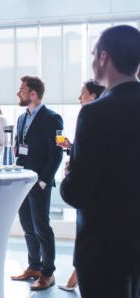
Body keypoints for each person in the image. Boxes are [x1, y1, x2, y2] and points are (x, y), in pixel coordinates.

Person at [60, 25, 140, 298]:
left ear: (104, 57)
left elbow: (77, 192)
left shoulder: (95, 113)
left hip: (103, 246)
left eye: (94, 53)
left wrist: (68, 175)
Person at [10, 76, 63, 290]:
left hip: (39, 182)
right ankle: (34, 266)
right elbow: (20, 143)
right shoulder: (22, 118)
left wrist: (43, 181)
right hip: (22, 181)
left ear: (33, 93)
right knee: (27, 226)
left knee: (42, 228)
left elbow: (56, 154)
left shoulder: (52, 118)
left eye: (22, 89)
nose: (18, 93)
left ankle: (48, 273)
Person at [57, 80, 105, 292]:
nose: (79, 98)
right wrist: (71, 148)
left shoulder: (93, 117)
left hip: (92, 195)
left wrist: (72, 171)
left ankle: (76, 278)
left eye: (82, 94)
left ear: (93, 96)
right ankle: (75, 277)